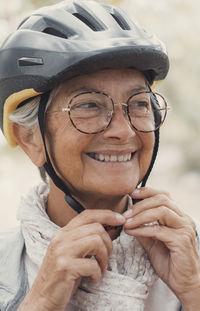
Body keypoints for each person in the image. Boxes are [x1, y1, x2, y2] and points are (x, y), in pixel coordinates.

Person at [0, 1, 199, 310]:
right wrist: (41, 301)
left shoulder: (190, 258)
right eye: (89, 105)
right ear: (29, 138)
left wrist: (194, 290)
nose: (123, 131)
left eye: (139, 103)